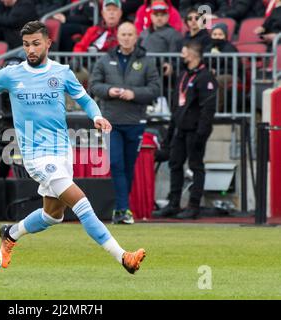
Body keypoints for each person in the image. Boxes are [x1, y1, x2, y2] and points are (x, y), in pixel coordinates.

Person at [0, 20, 146, 274]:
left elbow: (85, 99)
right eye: (25, 45)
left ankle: (10, 234)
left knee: (53, 215)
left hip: (61, 151)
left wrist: (97, 116)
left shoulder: (62, 72)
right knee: (81, 203)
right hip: (36, 155)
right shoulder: (12, 74)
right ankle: (123, 257)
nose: (30, 50)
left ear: (48, 43)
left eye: (35, 44)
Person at [89, 21, 160, 224]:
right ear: (117, 37)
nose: (126, 38)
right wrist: (109, 91)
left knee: (128, 167)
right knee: (117, 164)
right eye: (123, 34)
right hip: (111, 121)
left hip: (135, 121)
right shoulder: (105, 60)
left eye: (130, 34)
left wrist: (134, 93)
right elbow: (94, 85)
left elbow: (155, 89)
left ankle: (121, 209)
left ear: (136, 37)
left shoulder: (147, 61)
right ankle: (123, 209)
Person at [153, 40, 217, 220]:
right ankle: (173, 204)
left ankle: (193, 206)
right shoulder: (183, 75)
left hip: (195, 130)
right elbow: (177, 106)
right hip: (180, 129)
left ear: (193, 54)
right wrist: (171, 131)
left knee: (196, 166)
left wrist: (201, 133)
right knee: (175, 164)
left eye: (184, 53)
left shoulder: (205, 78)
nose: (181, 56)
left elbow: (208, 109)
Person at [203, 23, 239, 112]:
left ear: (225, 36)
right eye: (214, 34)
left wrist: (217, 71)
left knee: (217, 80)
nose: (217, 37)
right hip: (212, 74)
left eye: (220, 34)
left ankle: (216, 111)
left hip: (231, 75)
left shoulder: (230, 48)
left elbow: (234, 67)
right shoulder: (208, 48)